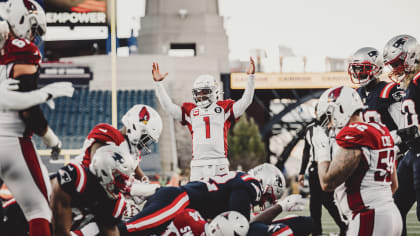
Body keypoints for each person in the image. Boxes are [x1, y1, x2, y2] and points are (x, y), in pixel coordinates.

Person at [0, 1, 74, 235]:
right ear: (23, 21)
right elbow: (28, 110)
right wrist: (51, 138)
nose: (34, 37)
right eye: (34, 30)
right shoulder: (24, 50)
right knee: (40, 209)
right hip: (13, 139)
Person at [316, 86, 402, 235]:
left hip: (368, 215)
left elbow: (327, 182)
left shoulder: (354, 133)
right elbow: (393, 185)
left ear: (340, 109)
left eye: (329, 116)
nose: (329, 124)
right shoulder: (380, 129)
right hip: (390, 213)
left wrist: (321, 150)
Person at [152, 58, 255, 181]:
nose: (200, 95)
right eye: (198, 93)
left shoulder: (223, 109)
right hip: (197, 164)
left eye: (204, 92)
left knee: (219, 199)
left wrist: (251, 79)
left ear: (214, 91)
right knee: (198, 198)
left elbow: (245, 101)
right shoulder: (191, 111)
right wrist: (158, 84)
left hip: (219, 162)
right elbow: (168, 107)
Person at [118, 164, 292, 236]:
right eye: (268, 197)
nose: (263, 203)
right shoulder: (250, 183)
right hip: (178, 200)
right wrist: (241, 222)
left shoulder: (240, 181)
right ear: (265, 182)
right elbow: (237, 218)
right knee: (129, 230)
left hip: (184, 209)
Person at [50, 144, 136, 236]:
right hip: (44, 220)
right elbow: (60, 231)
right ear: (104, 172)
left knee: (99, 227)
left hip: (72, 228)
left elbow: (110, 231)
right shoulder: (76, 179)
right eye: (120, 179)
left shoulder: (114, 201)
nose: (123, 184)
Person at [383, 34, 420, 236]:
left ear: (411, 55)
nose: (395, 69)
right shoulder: (409, 82)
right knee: (395, 208)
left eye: (397, 63)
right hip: (412, 153)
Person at [75, 104, 163, 182]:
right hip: (78, 181)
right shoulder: (111, 135)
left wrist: (146, 183)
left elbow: (135, 170)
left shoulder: (133, 152)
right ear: (136, 128)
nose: (146, 143)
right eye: (146, 138)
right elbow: (98, 165)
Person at [298, 106, 347, 236]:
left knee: (328, 199)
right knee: (315, 203)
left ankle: (344, 225)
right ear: (315, 112)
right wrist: (301, 172)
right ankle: (317, 232)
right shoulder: (310, 129)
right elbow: (306, 151)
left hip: (330, 167)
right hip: (314, 168)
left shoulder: (335, 127)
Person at [348, 47, 405, 152]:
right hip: (367, 154)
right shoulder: (355, 94)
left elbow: (405, 129)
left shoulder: (389, 91)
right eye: (356, 68)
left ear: (377, 68)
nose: (359, 72)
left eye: (363, 68)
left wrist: (397, 149)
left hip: (389, 152)